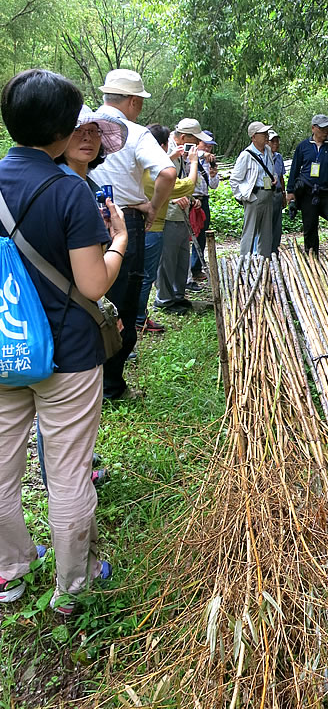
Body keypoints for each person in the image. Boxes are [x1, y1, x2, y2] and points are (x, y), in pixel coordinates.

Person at [0, 69, 127, 612]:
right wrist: (118, 240)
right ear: (60, 129)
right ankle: (71, 588)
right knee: (69, 471)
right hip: (67, 357)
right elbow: (93, 284)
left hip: (4, 348)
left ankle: (9, 572)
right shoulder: (70, 192)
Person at [36, 104, 128, 489]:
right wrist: (118, 239)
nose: (87, 138)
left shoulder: (88, 185)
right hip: (56, 308)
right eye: (78, 131)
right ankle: (63, 475)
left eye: (94, 132)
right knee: (56, 400)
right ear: (59, 137)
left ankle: (78, 461)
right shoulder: (55, 184)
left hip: (80, 301)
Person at [93, 69, 176, 399]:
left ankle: (83, 382)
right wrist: (153, 206)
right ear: (131, 101)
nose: (139, 108)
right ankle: (111, 384)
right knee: (121, 301)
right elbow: (167, 173)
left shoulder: (80, 126)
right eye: (139, 102)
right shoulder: (136, 133)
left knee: (82, 296)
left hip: (79, 215)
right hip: (123, 220)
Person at [136, 124, 199, 329]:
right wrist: (195, 162)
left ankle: (146, 312)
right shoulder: (156, 172)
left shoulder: (140, 165)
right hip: (154, 227)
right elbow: (186, 184)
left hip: (150, 224)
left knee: (168, 263)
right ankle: (142, 316)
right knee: (149, 275)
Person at [154, 119, 208, 315]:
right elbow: (156, 182)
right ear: (183, 138)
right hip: (168, 215)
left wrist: (191, 198)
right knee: (167, 259)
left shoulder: (180, 156)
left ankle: (178, 295)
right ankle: (164, 299)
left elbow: (182, 182)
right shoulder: (164, 153)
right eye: (194, 140)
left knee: (181, 257)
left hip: (181, 216)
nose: (196, 145)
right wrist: (175, 198)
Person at [286, 114, 328, 256]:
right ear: (313, 128)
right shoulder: (303, 146)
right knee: (310, 224)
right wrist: (290, 191)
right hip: (308, 192)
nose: (325, 131)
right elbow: (294, 169)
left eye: (327, 128)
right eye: (322, 128)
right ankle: (312, 255)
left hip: (327, 191)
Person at [230, 121, 276, 257]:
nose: (266, 136)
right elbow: (234, 180)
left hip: (268, 193)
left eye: (266, 133)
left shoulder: (268, 150)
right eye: (263, 134)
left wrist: (273, 178)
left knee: (266, 231)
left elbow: (270, 170)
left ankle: (265, 261)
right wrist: (244, 196)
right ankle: (245, 261)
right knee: (250, 231)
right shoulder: (246, 155)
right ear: (253, 137)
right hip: (254, 196)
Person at [188, 129, 219, 285]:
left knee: (201, 234)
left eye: (210, 147)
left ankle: (196, 268)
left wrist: (213, 175)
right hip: (189, 200)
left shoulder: (210, 162)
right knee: (187, 236)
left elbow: (213, 186)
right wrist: (201, 155)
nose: (207, 149)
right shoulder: (189, 157)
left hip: (203, 200)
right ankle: (187, 271)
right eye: (205, 145)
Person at [268, 130, 286, 253]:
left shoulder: (279, 158)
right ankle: (264, 251)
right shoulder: (262, 157)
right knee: (266, 224)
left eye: (277, 141)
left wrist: (284, 194)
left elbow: (281, 177)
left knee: (277, 224)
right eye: (272, 141)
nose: (275, 144)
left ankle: (275, 250)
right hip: (267, 193)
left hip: (278, 193)